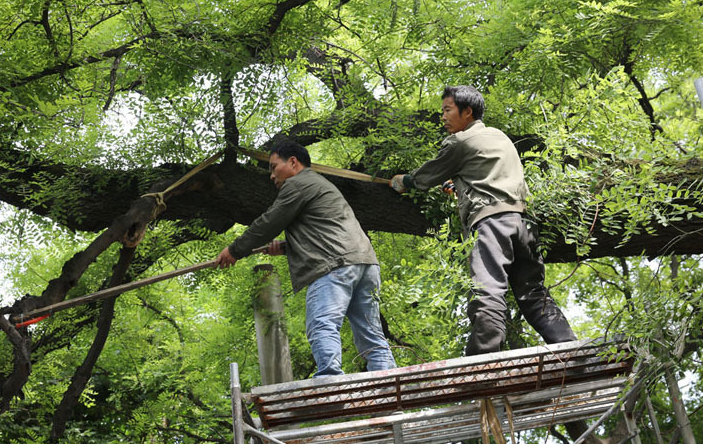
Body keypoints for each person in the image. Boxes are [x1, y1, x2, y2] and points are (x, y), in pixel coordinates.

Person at [390, 85, 576, 356]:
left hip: (493, 225)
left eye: (447, 110)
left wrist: (403, 182)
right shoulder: (498, 136)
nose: (442, 116)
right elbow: (487, 175)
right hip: (523, 224)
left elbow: (426, 177)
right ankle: (569, 346)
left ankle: (481, 362)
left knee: (487, 292)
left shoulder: (460, 142)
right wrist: (461, 185)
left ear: (467, 111)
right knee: (533, 293)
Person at [216, 140, 396, 377]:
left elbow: (270, 222)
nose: (271, 176)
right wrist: (287, 246)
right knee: (370, 332)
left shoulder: (298, 183)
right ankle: (389, 382)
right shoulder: (321, 184)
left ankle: (330, 379)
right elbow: (325, 228)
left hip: (335, 266)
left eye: (273, 167)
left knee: (322, 323)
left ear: (293, 162)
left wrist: (235, 250)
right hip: (364, 263)